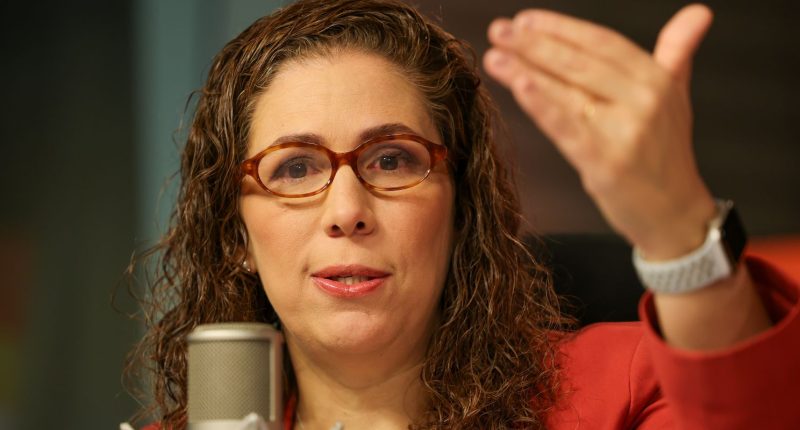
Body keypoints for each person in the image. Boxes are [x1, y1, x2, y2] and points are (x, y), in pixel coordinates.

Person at [125, 0, 800, 429]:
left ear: (461, 208)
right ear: (235, 236)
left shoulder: (623, 389)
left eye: (392, 159)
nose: (347, 211)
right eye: (295, 168)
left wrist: (677, 228)